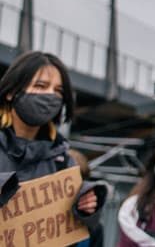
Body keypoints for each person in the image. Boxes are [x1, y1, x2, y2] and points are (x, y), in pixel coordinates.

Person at [0, 52, 104, 227]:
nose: (50, 95)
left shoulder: (64, 162)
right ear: (11, 92)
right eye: (41, 86)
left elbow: (71, 232)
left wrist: (85, 207)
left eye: (58, 91)